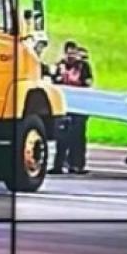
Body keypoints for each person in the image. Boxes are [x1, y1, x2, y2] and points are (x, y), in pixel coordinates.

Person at [51, 41, 93, 175]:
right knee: (62, 136)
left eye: (74, 53)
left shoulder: (83, 66)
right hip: (64, 105)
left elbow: (88, 82)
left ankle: (77, 165)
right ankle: (59, 164)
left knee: (78, 136)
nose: (71, 56)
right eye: (69, 53)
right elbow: (54, 81)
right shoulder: (60, 66)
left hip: (80, 105)